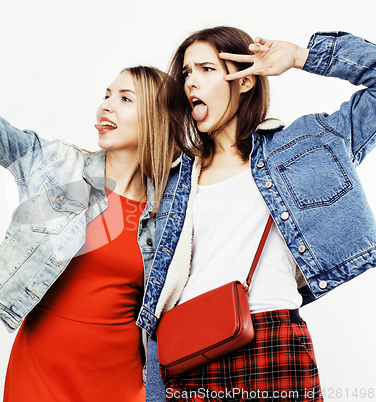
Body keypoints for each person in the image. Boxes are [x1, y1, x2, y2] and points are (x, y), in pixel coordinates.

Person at [0, 27, 179, 401]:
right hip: (41, 371)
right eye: (106, 95)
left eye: (125, 99)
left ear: (157, 117)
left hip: (121, 383)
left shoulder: (172, 206)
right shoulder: (61, 169)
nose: (106, 106)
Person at [135, 26, 376, 401]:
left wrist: (299, 57)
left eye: (206, 69)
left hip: (272, 341)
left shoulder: (303, 147)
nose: (191, 82)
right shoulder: (172, 181)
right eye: (186, 73)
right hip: (188, 352)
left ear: (245, 81)